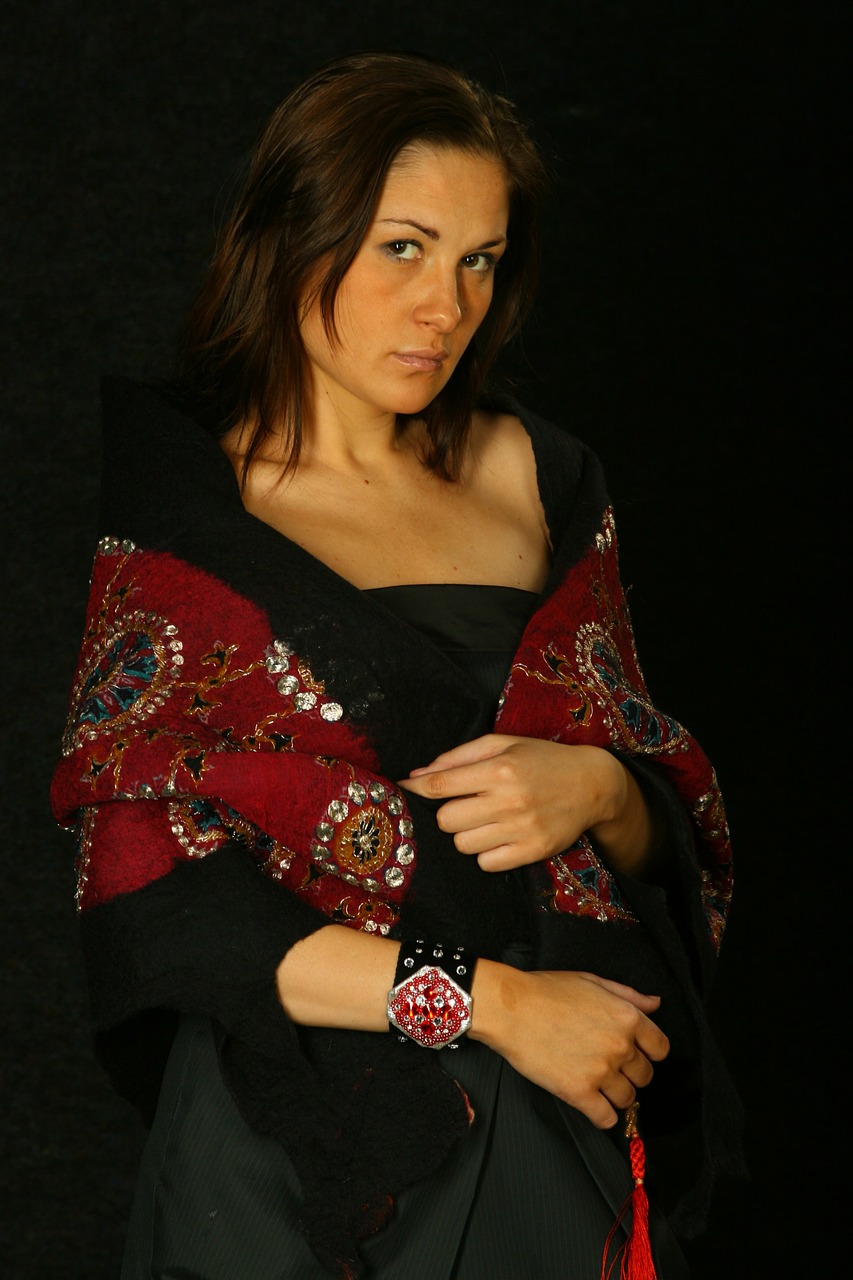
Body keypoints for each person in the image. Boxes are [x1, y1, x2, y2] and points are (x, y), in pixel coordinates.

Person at [51, 51, 742, 1280]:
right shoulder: (191, 522)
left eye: (480, 260)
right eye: (403, 248)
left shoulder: (540, 474)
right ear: (291, 237)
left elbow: (659, 828)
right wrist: (496, 1003)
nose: (445, 307)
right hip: (298, 1142)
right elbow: (160, 907)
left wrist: (601, 789)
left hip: (561, 1106)